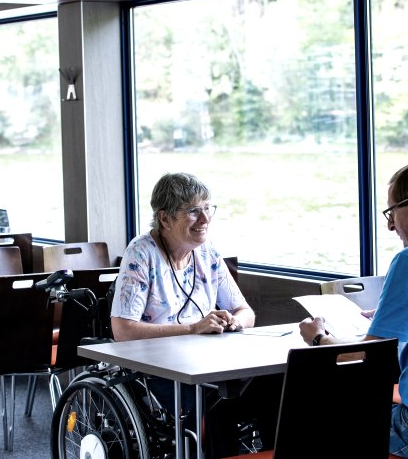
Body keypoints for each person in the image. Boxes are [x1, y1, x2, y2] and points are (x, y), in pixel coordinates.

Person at [299, 161, 408, 459]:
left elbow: (367, 358)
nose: (391, 224)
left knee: (309, 424)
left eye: (392, 212)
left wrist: (319, 339)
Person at [110, 171, 281, 458]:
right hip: (160, 368)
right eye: (192, 211)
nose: (205, 220)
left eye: (207, 209)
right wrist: (193, 328)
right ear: (164, 219)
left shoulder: (208, 254)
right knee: (217, 406)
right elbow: (123, 330)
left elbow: (245, 311)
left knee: (274, 387)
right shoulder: (141, 253)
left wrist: (234, 322)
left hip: (212, 362)